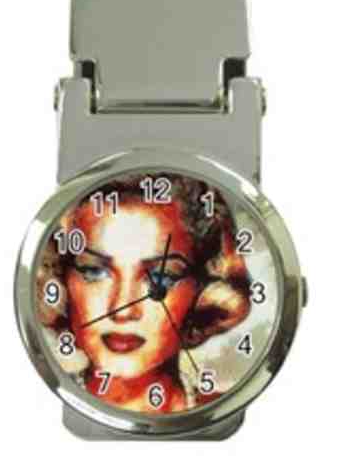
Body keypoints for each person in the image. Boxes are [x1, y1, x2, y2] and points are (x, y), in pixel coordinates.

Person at [36, 174, 253, 413]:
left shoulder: (224, 408)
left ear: (202, 289)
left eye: (160, 278)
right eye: (94, 271)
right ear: (62, 278)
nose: (123, 309)